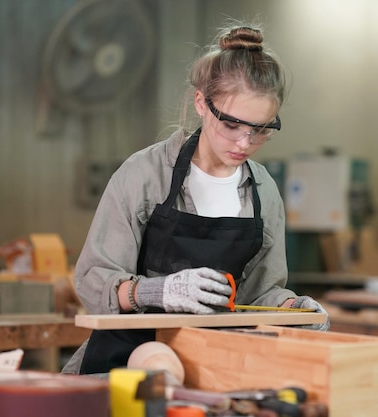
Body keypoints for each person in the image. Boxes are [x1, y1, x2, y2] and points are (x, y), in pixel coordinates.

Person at [62, 22, 329, 375]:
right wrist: (154, 292)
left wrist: (292, 307)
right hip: (121, 366)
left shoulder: (263, 192)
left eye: (261, 130)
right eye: (232, 125)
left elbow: (257, 296)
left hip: (211, 368)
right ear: (202, 103)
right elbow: (94, 282)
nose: (244, 144)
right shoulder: (144, 175)